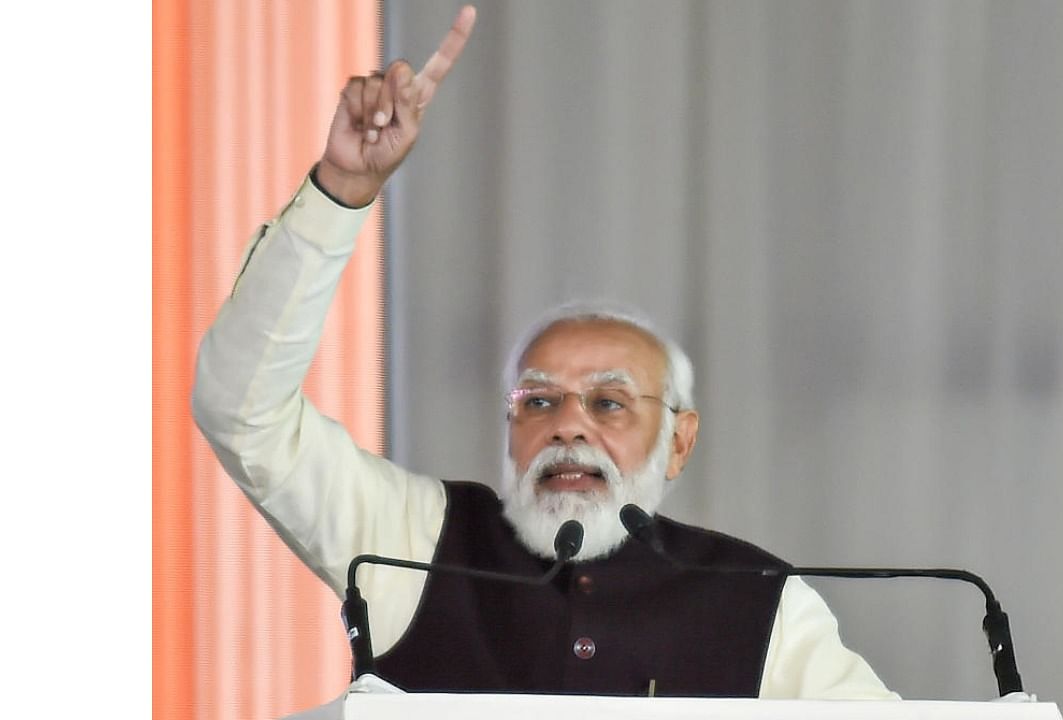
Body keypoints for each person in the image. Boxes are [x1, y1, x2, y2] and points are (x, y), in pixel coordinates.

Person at [192, 5, 897, 700]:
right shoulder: (413, 538)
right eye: (539, 400)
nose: (568, 425)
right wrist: (342, 189)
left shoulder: (760, 602)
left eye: (609, 402)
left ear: (679, 441)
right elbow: (241, 410)